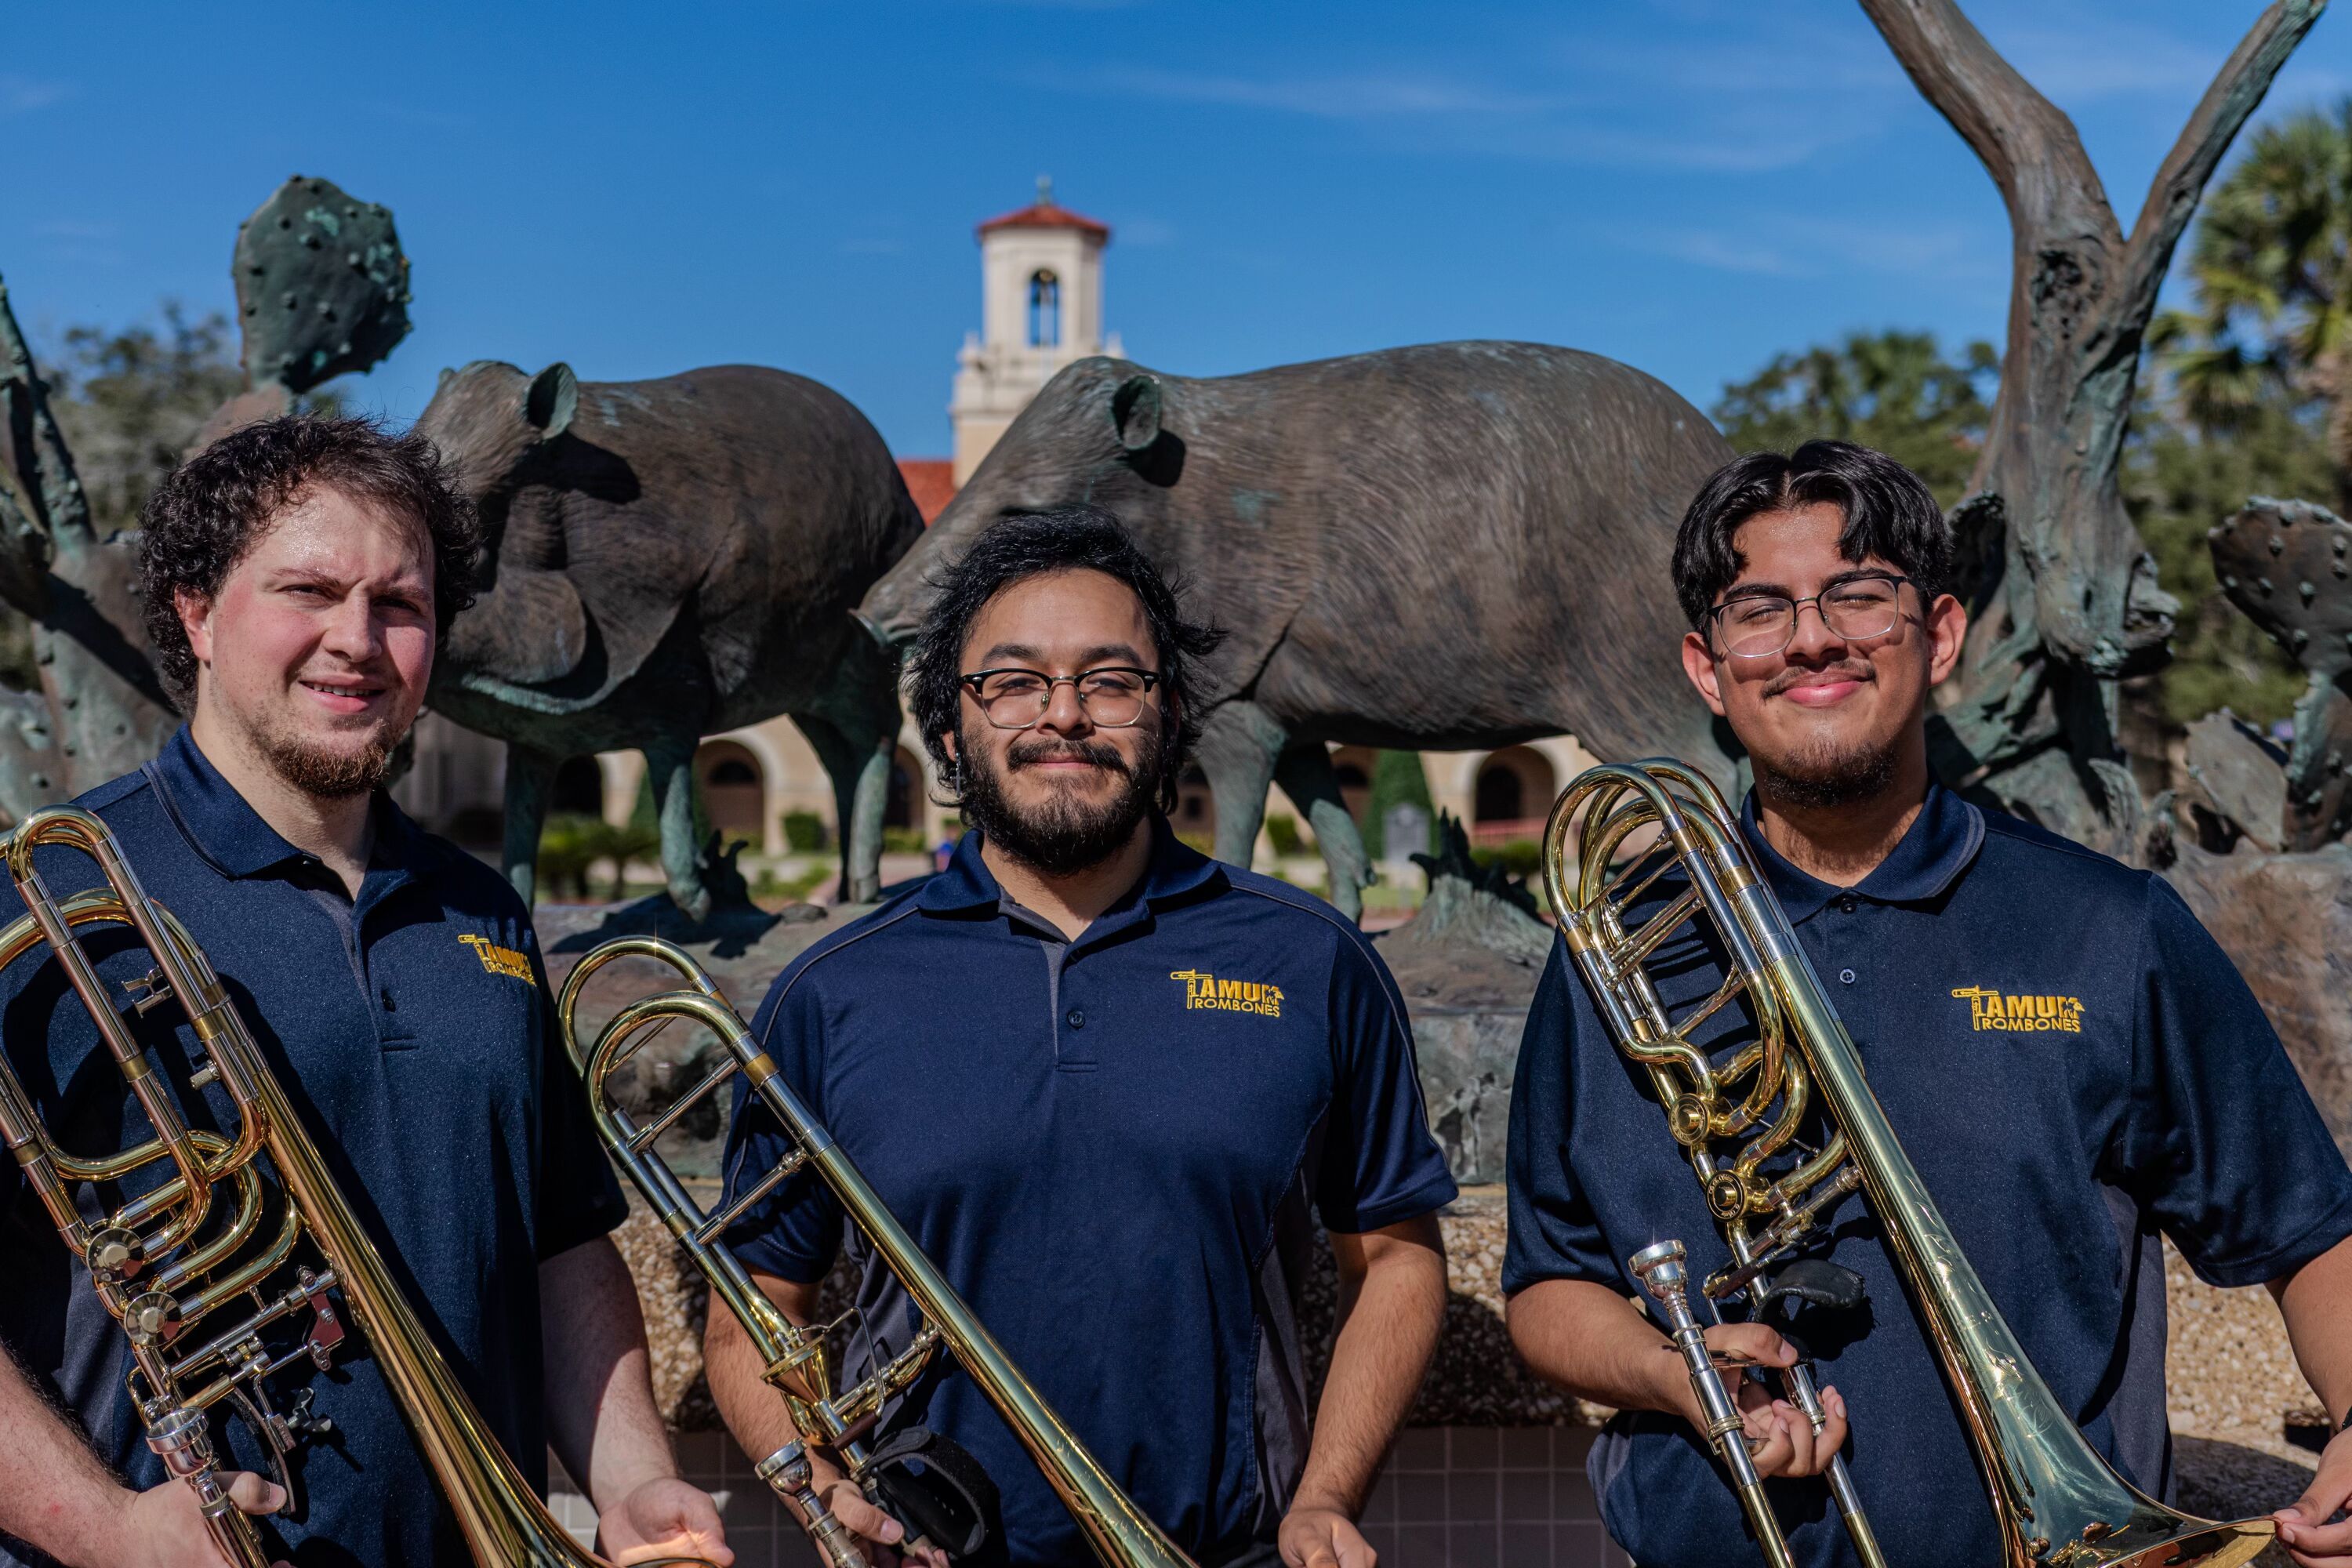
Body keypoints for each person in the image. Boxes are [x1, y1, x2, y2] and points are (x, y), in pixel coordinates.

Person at [1502, 439, 2352, 1567]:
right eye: (1761, 609)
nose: (1811, 637)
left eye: (1857, 594)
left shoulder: (2109, 929)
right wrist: (1679, 1376)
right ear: (1709, 669)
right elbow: (1549, 1285)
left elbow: (2310, 1230)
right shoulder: (1618, 945)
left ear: (1940, 634)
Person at [0, 418, 730, 1568]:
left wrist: (632, 1479)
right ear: (196, 611)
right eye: (309, 590)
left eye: (401, 603)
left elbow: (557, 1240)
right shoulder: (50, 895)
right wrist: (107, 1530)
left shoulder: (479, 910)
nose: (359, 641)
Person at [704, 505, 1457, 1568]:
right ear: (953, 727)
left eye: (1110, 680)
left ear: (1170, 712)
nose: (1064, 716)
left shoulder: (1313, 961)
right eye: (1012, 682)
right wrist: (826, 1496)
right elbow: (755, 1305)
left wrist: (1325, 1497)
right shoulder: (833, 992)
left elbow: (1398, 1258)